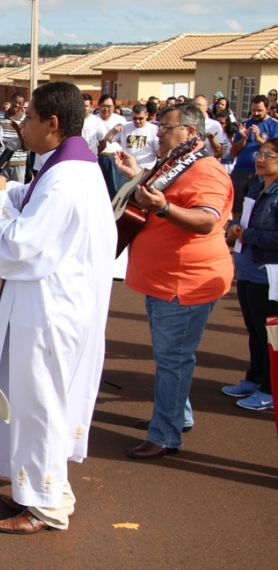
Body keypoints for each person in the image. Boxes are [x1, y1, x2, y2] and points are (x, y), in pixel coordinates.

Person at [0, 81, 116, 534]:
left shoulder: (67, 178)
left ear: (53, 124)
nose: (23, 124)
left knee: (41, 404)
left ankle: (45, 505)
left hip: (50, 311)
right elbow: (25, 199)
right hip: (52, 304)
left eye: (30, 118)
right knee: (41, 400)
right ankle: (51, 486)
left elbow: (19, 244)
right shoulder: (69, 167)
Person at [115, 103, 234, 459]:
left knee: (174, 360)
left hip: (185, 283)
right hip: (166, 281)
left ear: (191, 134)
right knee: (172, 357)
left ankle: (165, 435)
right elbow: (152, 199)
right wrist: (136, 174)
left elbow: (206, 220)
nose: (157, 132)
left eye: (166, 127)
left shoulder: (207, 171)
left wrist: (165, 208)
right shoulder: (178, 164)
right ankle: (176, 416)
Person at [221, 137, 278, 411]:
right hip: (246, 270)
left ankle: (270, 389)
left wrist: (248, 234)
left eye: (269, 155)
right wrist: (234, 226)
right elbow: (242, 221)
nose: (260, 158)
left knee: (270, 336)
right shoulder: (255, 189)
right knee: (254, 331)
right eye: (260, 153)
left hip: (268, 275)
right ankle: (255, 380)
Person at [229, 95, 278, 215]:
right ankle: (235, 229)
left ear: (267, 109)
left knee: (256, 209)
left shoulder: (274, 125)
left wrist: (259, 139)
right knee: (237, 207)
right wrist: (243, 139)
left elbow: (274, 150)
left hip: (260, 172)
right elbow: (233, 152)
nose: (255, 113)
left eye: (259, 110)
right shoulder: (245, 125)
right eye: (253, 110)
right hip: (240, 171)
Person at [96, 94, 129, 198]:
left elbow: (120, 140)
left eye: (109, 106)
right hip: (97, 158)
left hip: (114, 158)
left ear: (114, 107)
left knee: (115, 189)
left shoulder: (121, 120)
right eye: (103, 106)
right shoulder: (93, 120)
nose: (106, 109)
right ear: (99, 106)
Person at [0, 92, 28, 182]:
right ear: (11, 101)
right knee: (1, 190)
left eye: (20, 103)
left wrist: (18, 131)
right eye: (15, 101)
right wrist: (6, 145)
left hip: (18, 161)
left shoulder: (25, 119)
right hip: (1, 160)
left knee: (17, 191)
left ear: (23, 105)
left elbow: (26, 146)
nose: (16, 105)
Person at [113, 104, 159, 172]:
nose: (137, 121)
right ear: (132, 115)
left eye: (140, 118)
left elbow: (158, 151)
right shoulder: (125, 127)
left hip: (146, 170)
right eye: (135, 118)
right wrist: (114, 129)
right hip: (127, 169)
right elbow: (109, 140)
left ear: (146, 115)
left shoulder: (154, 129)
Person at [193, 95, 225, 159]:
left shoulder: (214, 125)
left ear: (206, 108)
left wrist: (212, 139)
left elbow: (219, 149)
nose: (195, 107)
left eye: (198, 105)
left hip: (205, 162)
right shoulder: (186, 123)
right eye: (194, 105)